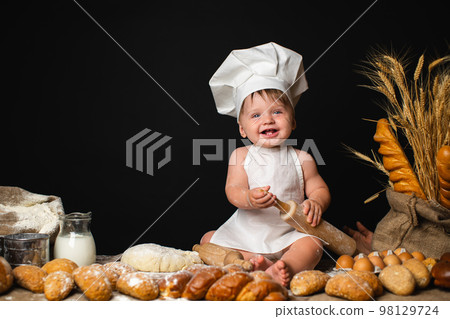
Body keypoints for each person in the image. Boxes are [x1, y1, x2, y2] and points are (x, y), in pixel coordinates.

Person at [201, 43, 331, 286]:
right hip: (246, 232)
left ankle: (287, 266)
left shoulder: (302, 157)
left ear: (293, 121)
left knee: (313, 245)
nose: (268, 119)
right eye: (256, 115)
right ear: (242, 128)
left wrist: (316, 202)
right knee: (209, 240)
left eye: (278, 112)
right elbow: (233, 190)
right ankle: (251, 261)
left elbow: (318, 188)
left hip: (289, 234)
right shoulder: (240, 156)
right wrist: (249, 197)